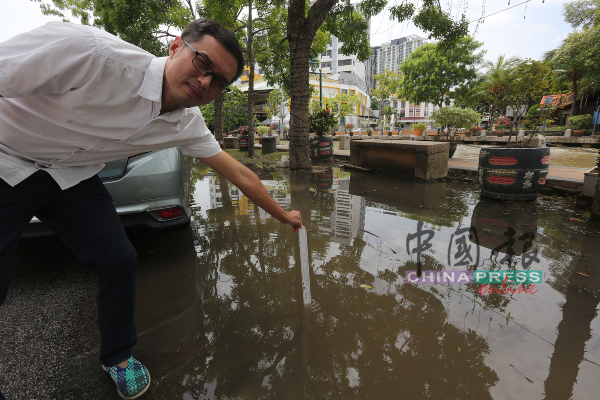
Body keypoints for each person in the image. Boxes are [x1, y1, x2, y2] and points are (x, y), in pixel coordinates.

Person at [0, 18, 301, 399]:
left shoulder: (187, 124)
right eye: (203, 64)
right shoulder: (91, 53)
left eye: (219, 81)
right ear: (176, 47)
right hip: (7, 158)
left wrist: (285, 215)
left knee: (118, 257)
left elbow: (240, 172)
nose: (207, 82)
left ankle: (118, 357)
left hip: (69, 174)